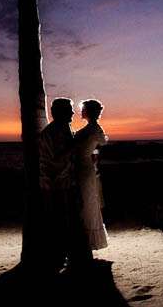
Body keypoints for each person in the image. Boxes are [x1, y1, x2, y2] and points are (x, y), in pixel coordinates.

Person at [39, 97, 93, 270]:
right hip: (56, 185)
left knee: (68, 220)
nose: (72, 112)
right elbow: (55, 159)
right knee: (61, 222)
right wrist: (75, 144)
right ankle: (61, 258)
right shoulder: (51, 133)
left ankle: (69, 257)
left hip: (65, 183)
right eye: (69, 109)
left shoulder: (63, 129)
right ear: (61, 112)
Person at [74, 98, 109, 250]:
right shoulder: (91, 128)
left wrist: (93, 153)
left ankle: (88, 241)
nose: (81, 111)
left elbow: (100, 144)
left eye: (83, 109)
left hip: (85, 168)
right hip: (80, 166)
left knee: (87, 203)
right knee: (82, 202)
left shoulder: (94, 129)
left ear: (89, 112)